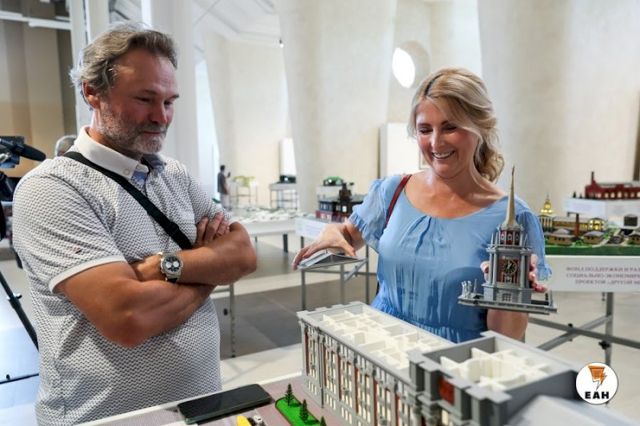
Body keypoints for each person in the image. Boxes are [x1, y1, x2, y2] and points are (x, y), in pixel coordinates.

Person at [12, 23, 257, 425]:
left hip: (202, 406)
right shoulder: (53, 189)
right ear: (93, 92)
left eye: (169, 101)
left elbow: (243, 254)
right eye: (145, 99)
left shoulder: (173, 174)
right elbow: (129, 318)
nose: (161, 117)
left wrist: (163, 267)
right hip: (107, 417)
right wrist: (210, 267)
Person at [294, 68, 550, 343]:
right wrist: (333, 232)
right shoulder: (393, 191)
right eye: (425, 130)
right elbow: (347, 234)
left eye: (450, 127)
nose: (436, 142)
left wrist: (510, 292)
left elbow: (507, 337)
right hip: (382, 349)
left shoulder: (513, 218)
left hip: (454, 360)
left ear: (480, 127)